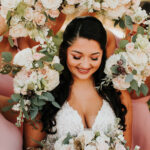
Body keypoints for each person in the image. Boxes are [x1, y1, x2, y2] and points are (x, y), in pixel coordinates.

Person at [40, 16, 132, 149]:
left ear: (102, 54)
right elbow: (31, 147)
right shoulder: (45, 92)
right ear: (65, 51)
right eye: (77, 56)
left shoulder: (119, 96)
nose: (85, 64)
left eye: (94, 58)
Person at [129, 1, 150, 150]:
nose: (133, 29)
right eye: (131, 21)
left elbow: (137, 93)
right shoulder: (113, 42)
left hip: (137, 117)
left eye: (140, 25)